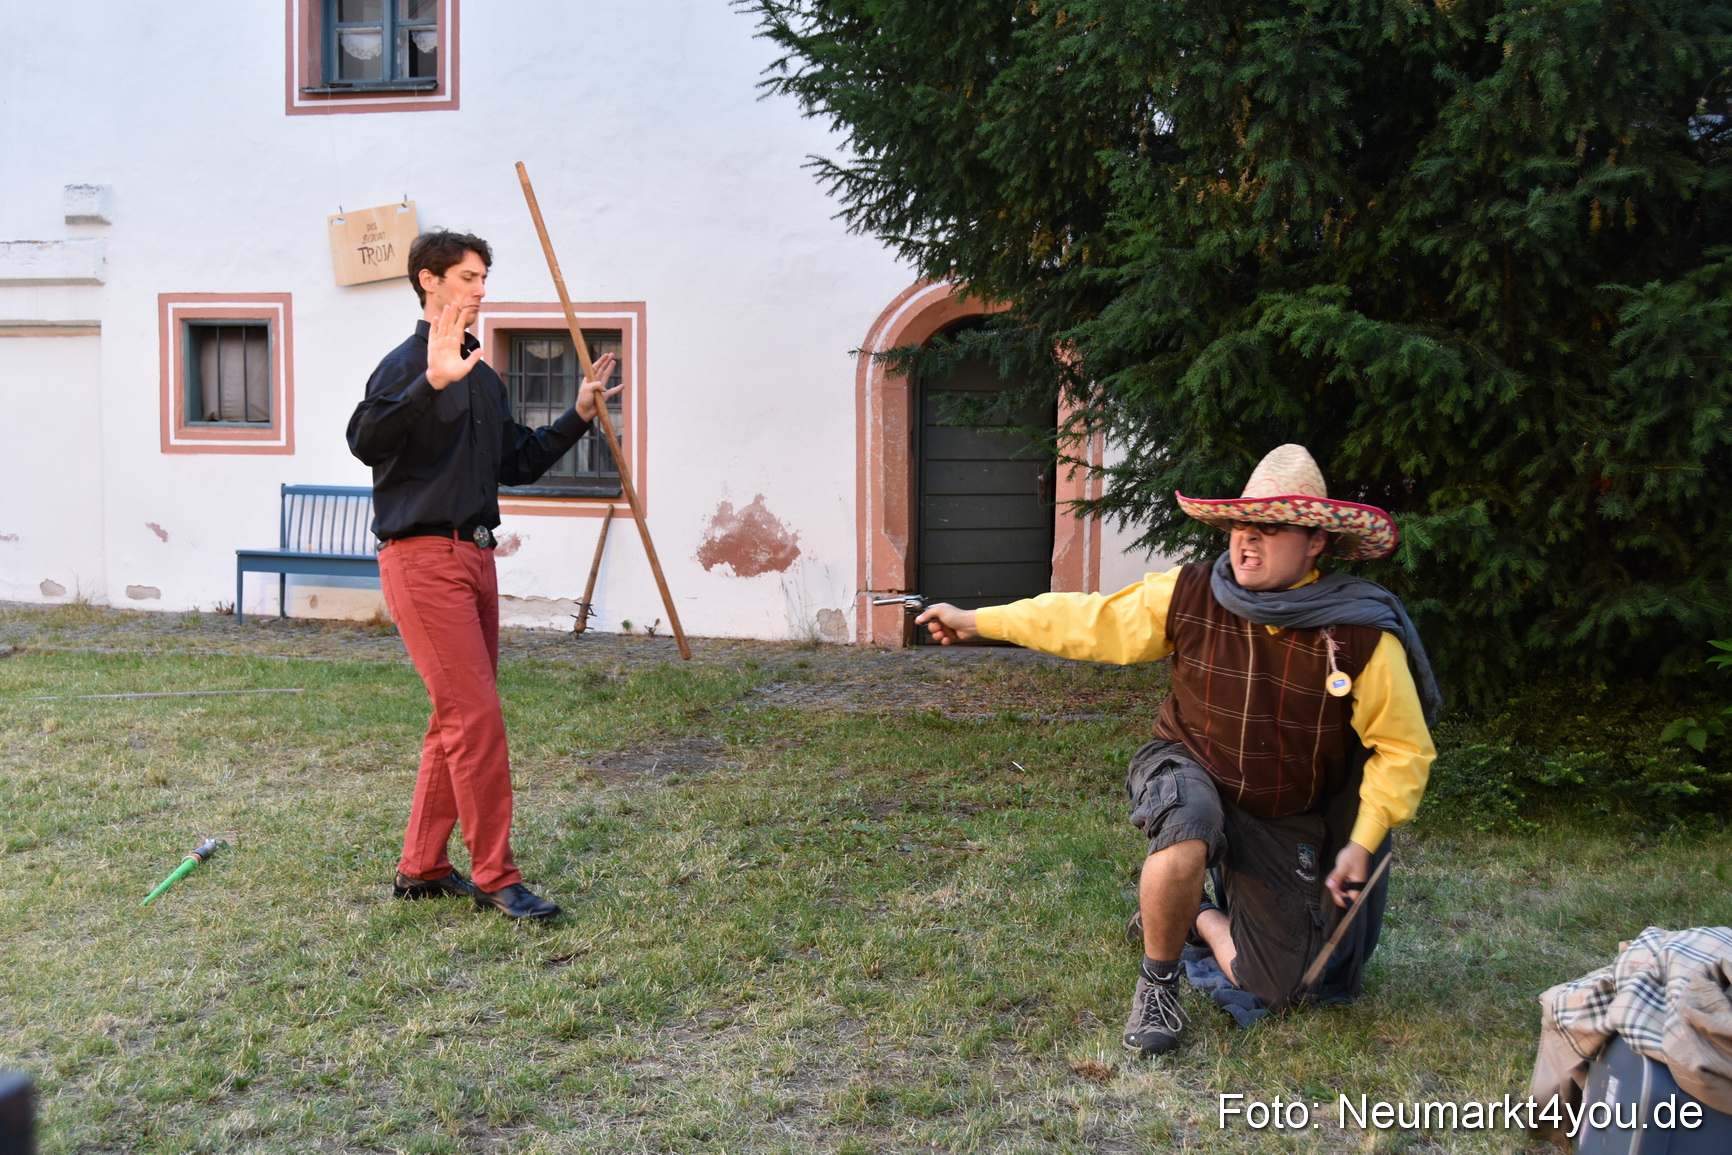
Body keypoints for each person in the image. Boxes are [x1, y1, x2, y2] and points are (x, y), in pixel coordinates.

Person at [915, 444, 1441, 1054]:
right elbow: (1087, 620)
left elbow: (1401, 748)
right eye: (1240, 525)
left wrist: (1362, 838)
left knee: (1279, 985)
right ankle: (1157, 983)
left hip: (1282, 807)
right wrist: (980, 621)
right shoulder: (1191, 593)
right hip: (1188, 762)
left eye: (1268, 528)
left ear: (1315, 541)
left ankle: (1192, 914)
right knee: (1189, 825)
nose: (1246, 542)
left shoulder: (1357, 631)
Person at [346, 229, 620, 920]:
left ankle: (421, 867)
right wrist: (431, 380)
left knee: (456, 719)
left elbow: (517, 460)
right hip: (420, 558)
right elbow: (363, 440)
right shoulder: (405, 366)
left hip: (475, 556)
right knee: (476, 718)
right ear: (428, 281)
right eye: (469, 276)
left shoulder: (486, 376)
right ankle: (497, 875)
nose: (481, 288)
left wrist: (579, 415)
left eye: (483, 277)